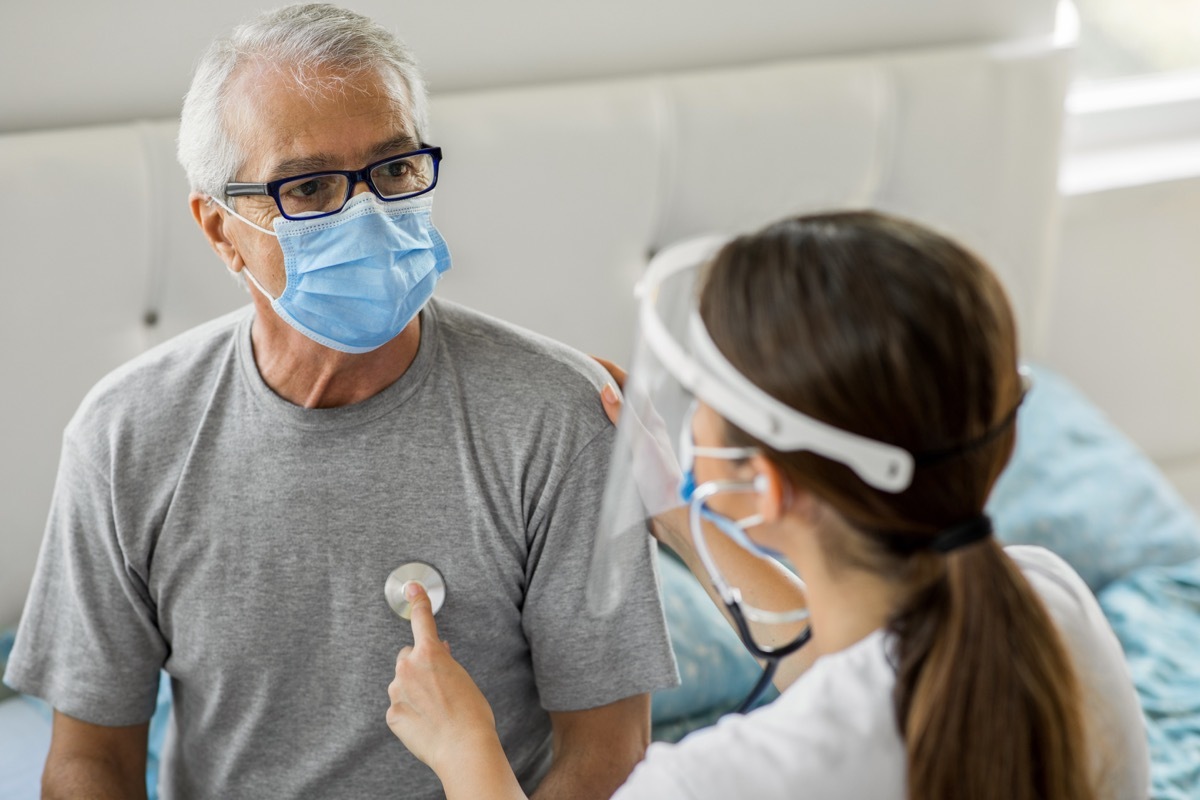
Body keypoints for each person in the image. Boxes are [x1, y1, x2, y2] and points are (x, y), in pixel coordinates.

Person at [2, 4, 677, 799]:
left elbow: (609, 753)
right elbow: (89, 761)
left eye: (394, 171)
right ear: (220, 230)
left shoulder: (559, 417)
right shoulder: (126, 436)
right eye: (310, 186)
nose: (367, 214)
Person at [384, 211, 1151, 800]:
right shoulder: (1049, 604)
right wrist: (679, 514)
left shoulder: (719, 781)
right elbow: (853, 667)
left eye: (708, 394)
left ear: (770, 488)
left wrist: (466, 751)